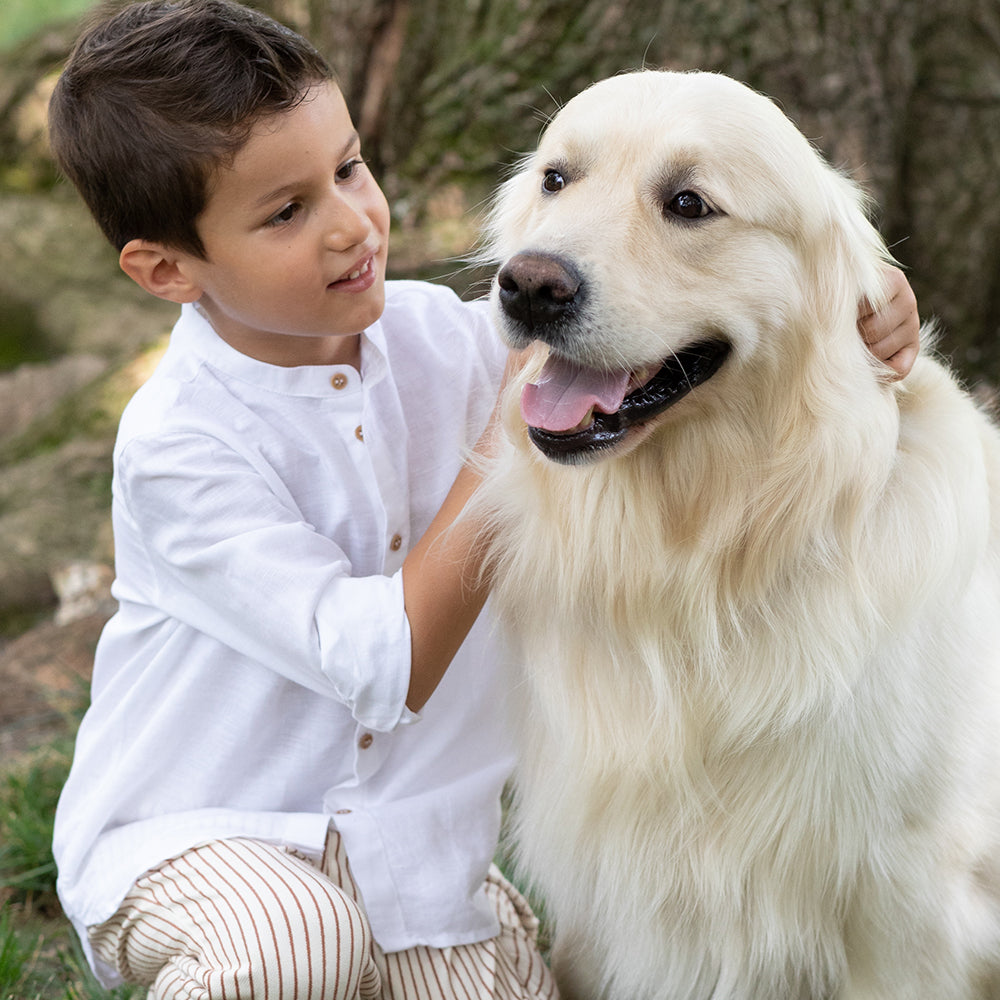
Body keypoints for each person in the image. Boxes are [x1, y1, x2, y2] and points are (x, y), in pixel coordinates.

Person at [47, 2, 921, 998]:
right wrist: (505, 439)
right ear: (166, 270)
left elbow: (626, 305)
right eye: (286, 213)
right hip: (206, 838)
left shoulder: (440, 339)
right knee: (294, 949)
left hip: (412, 864)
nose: (350, 224)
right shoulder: (178, 446)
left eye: (349, 168)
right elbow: (383, 663)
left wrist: (866, 292)